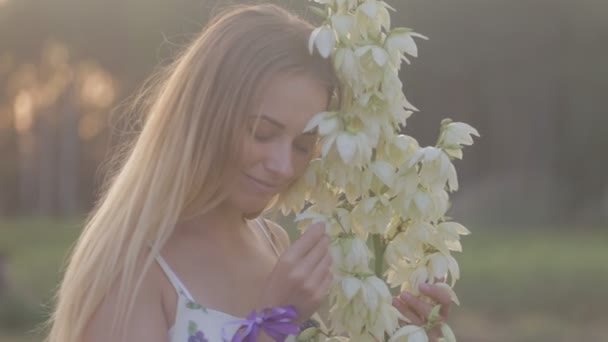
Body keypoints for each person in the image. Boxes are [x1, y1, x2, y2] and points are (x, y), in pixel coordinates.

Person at [45, 4, 452, 342]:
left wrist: (396, 335)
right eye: (262, 132)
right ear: (204, 115)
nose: (283, 165)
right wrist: (272, 322)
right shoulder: (131, 271)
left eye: (302, 145)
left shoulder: (271, 241)